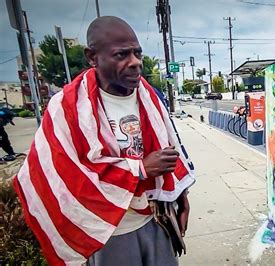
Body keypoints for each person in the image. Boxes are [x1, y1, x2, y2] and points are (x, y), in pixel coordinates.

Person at [13, 16, 195, 265]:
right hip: (107, 231)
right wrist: (140, 169)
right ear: (92, 57)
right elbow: (65, 175)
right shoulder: (66, 108)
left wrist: (180, 195)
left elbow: (169, 147)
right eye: (122, 55)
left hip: (154, 218)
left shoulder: (149, 95)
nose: (135, 63)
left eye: (137, 53)